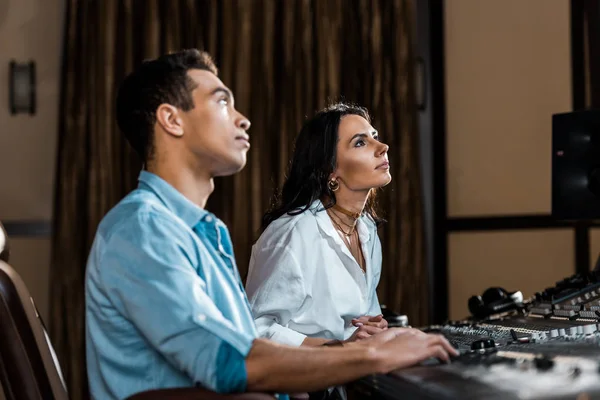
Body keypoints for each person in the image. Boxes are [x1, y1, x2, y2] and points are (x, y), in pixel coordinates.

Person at [85, 49, 457, 400]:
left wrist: (344, 352)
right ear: (171, 119)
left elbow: (247, 349)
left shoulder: (203, 232)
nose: (242, 118)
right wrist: (372, 355)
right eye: (221, 101)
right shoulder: (144, 229)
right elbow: (230, 363)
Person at [246, 103, 390, 347]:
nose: (383, 147)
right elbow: (256, 331)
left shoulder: (366, 229)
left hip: (347, 377)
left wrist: (372, 328)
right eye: (360, 142)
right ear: (330, 170)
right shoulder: (294, 232)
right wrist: (338, 348)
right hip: (298, 382)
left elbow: (357, 326)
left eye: (375, 137)